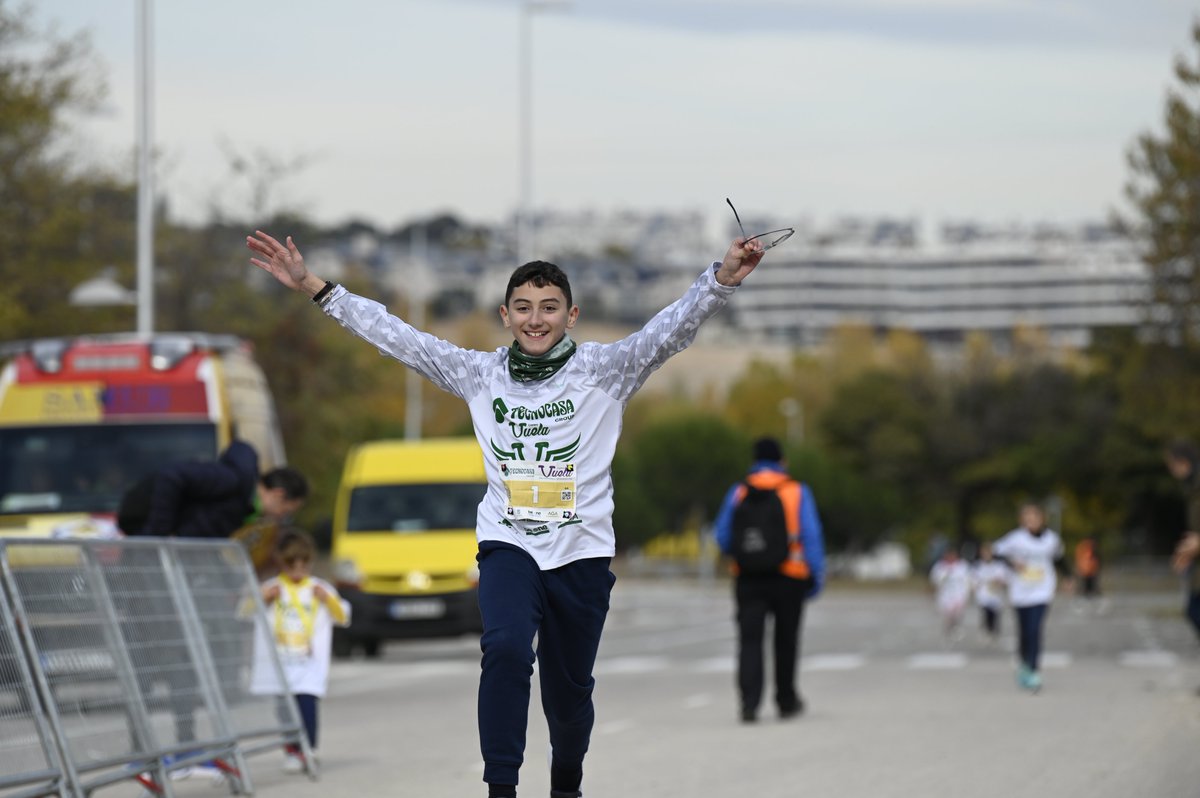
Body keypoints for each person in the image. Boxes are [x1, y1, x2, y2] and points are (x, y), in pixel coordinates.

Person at [246, 226, 766, 798]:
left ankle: (566, 782)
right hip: (509, 544)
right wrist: (316, 287)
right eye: (523, 308)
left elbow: (670, 330)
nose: (535, 319)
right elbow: (399, 337)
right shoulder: (481, 374)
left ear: (572, 315)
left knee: (568, 695)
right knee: (506, 649)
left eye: (549, 307)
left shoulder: (606, 369)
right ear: (505, 315)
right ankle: (501, 789)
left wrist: (720, 281)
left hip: (581, 553)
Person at [712, 437, 825, 723]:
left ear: (754, 461)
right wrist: (816, 576)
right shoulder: (796, 491)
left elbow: (722, 534)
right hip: (790, 576)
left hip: (748, 578)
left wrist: (743, 555)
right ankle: (786, 700)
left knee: (750, 641)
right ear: (782, 461)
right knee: (786, 641)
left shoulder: (739, 491)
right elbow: (812, 536)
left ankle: (749, 704)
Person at [120, 440, 309, 575]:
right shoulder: (232, 481)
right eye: (286, 512)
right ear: (278, 495)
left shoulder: (245, 510)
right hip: (145, 540)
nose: (281, 518)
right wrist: (157, 535)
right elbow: (171, 477)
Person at [252, 529, 350, 774]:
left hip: (308, 663)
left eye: (303, 565)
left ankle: (310, 748)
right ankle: (292, 750)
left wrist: (328, 600)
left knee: (307, 705)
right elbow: (245, 612)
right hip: (280, 662)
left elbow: (343, 616)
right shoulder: (272, 588)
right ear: (281, 563)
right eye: (291, 565)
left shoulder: (319, 588)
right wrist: (263, 600)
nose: (298, 571)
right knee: (284, 710)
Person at [992, 503, 1071, 693]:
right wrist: (1012, 563)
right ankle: (1024, 665)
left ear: (1042, 519)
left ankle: (1034, 670)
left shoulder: (1051, 539)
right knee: (1024, 632)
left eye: (1034, 518)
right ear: (1021, 521)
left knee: (1035, 630)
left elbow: (1059, 558)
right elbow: (994, 552)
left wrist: (1068, 577)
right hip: (1020, 591)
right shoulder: (1015, 539)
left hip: (1042, 590)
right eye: (1027, 519)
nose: (1031, 522)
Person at [1165, 440, 1200, 644]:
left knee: (1194, 610)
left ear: (1184, 462)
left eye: (1172, 465)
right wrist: (1185, 552)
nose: (1172, 470)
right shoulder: (1192, 488)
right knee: (1192, 610)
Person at [929, 546, 971, 644]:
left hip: (959, 594)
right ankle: (949, 629)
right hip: (945, 595)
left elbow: (968, 580)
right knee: (948, 614)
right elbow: (934, 579)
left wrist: (968, 592)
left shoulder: (962, 566)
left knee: (957, 613)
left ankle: (956, 628)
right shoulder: (940, 566)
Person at [971, 542, 1009, 645]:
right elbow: (973, 579)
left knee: (995, 614)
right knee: (985, 612)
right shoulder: (977, 566)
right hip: (983, 593)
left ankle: (994, 630)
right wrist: (974, 587)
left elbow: (1005, 579)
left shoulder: (999, 566)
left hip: (995, 594)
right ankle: (987, 630)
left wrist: (1000, 582)